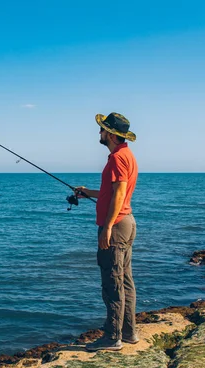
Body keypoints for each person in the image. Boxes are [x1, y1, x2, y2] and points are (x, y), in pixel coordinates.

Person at [75, 112, 139, 352]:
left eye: (102, 130)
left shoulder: (117, 159)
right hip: (126, 222)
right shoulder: (125, 155)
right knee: (125, 281)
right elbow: (111, 192)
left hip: (117, 226)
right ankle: (129, 332)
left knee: (112, 283)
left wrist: (108, 227)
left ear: (111, 134)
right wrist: (87, 192)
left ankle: (113, 338)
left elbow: (119, 194)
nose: (99, 133)